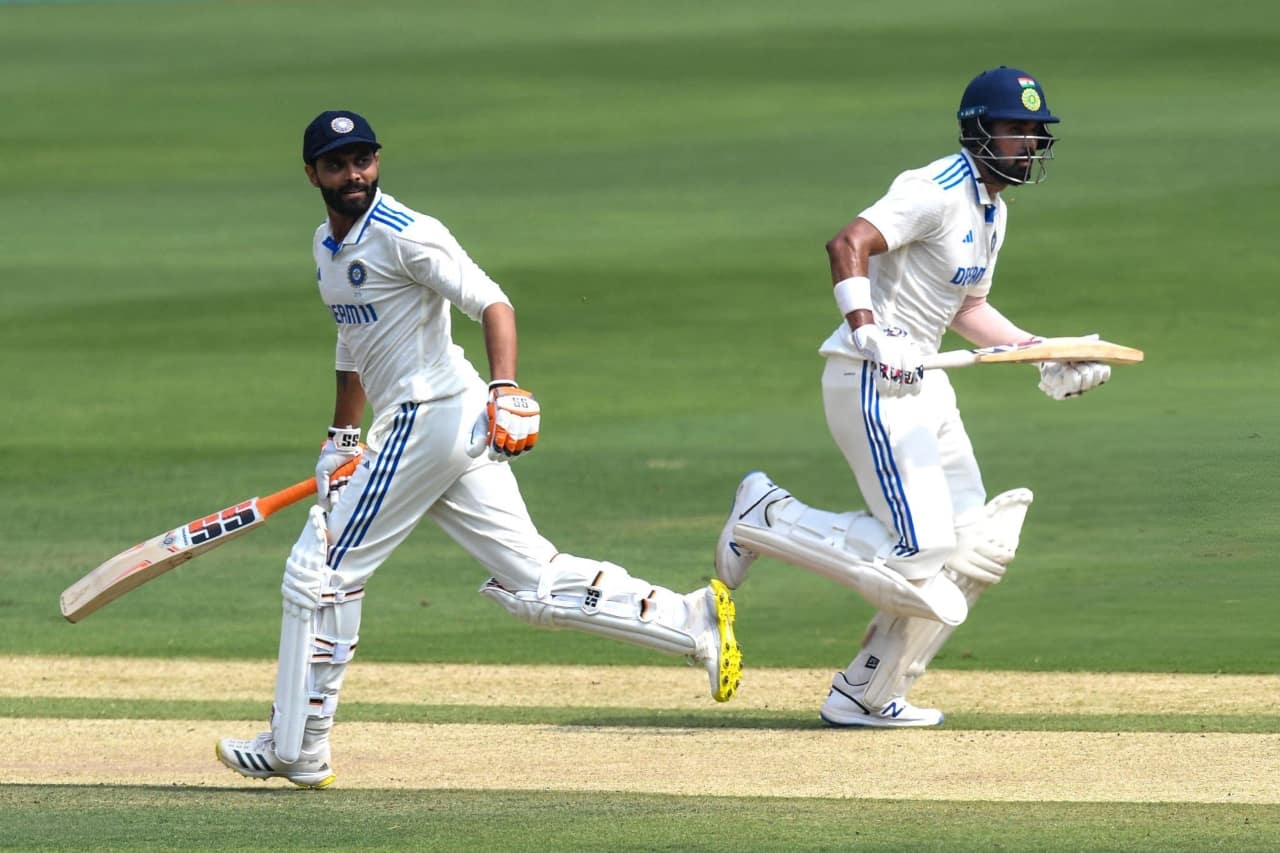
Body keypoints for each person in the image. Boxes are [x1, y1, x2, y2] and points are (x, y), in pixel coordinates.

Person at [217, 110, 742, 788]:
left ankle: (299, 744)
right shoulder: (325, 246)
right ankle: (690, 619)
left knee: (322, 569)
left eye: (364, 159)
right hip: (434, 427)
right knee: (533, 581)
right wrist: (341, 437)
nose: (355, 174)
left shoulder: (407, 235)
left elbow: (493, 302)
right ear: (312, 173)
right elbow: (353, 341)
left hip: (433, 416)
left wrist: (506, 387)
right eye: (339, 163)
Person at [714, 67, 1113, 727]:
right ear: (980, 130)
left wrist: (1043, 352)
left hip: (926, 383)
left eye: (1036, 133)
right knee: (921, 555)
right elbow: (848, 244)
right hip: (871, 379)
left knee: (973, 548)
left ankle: (866, 693)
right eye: (1019, 130)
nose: (1032, 144)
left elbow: (969, 310)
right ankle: (766, 516)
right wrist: (869, 331)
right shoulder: (933, 189)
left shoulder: (993, 211)